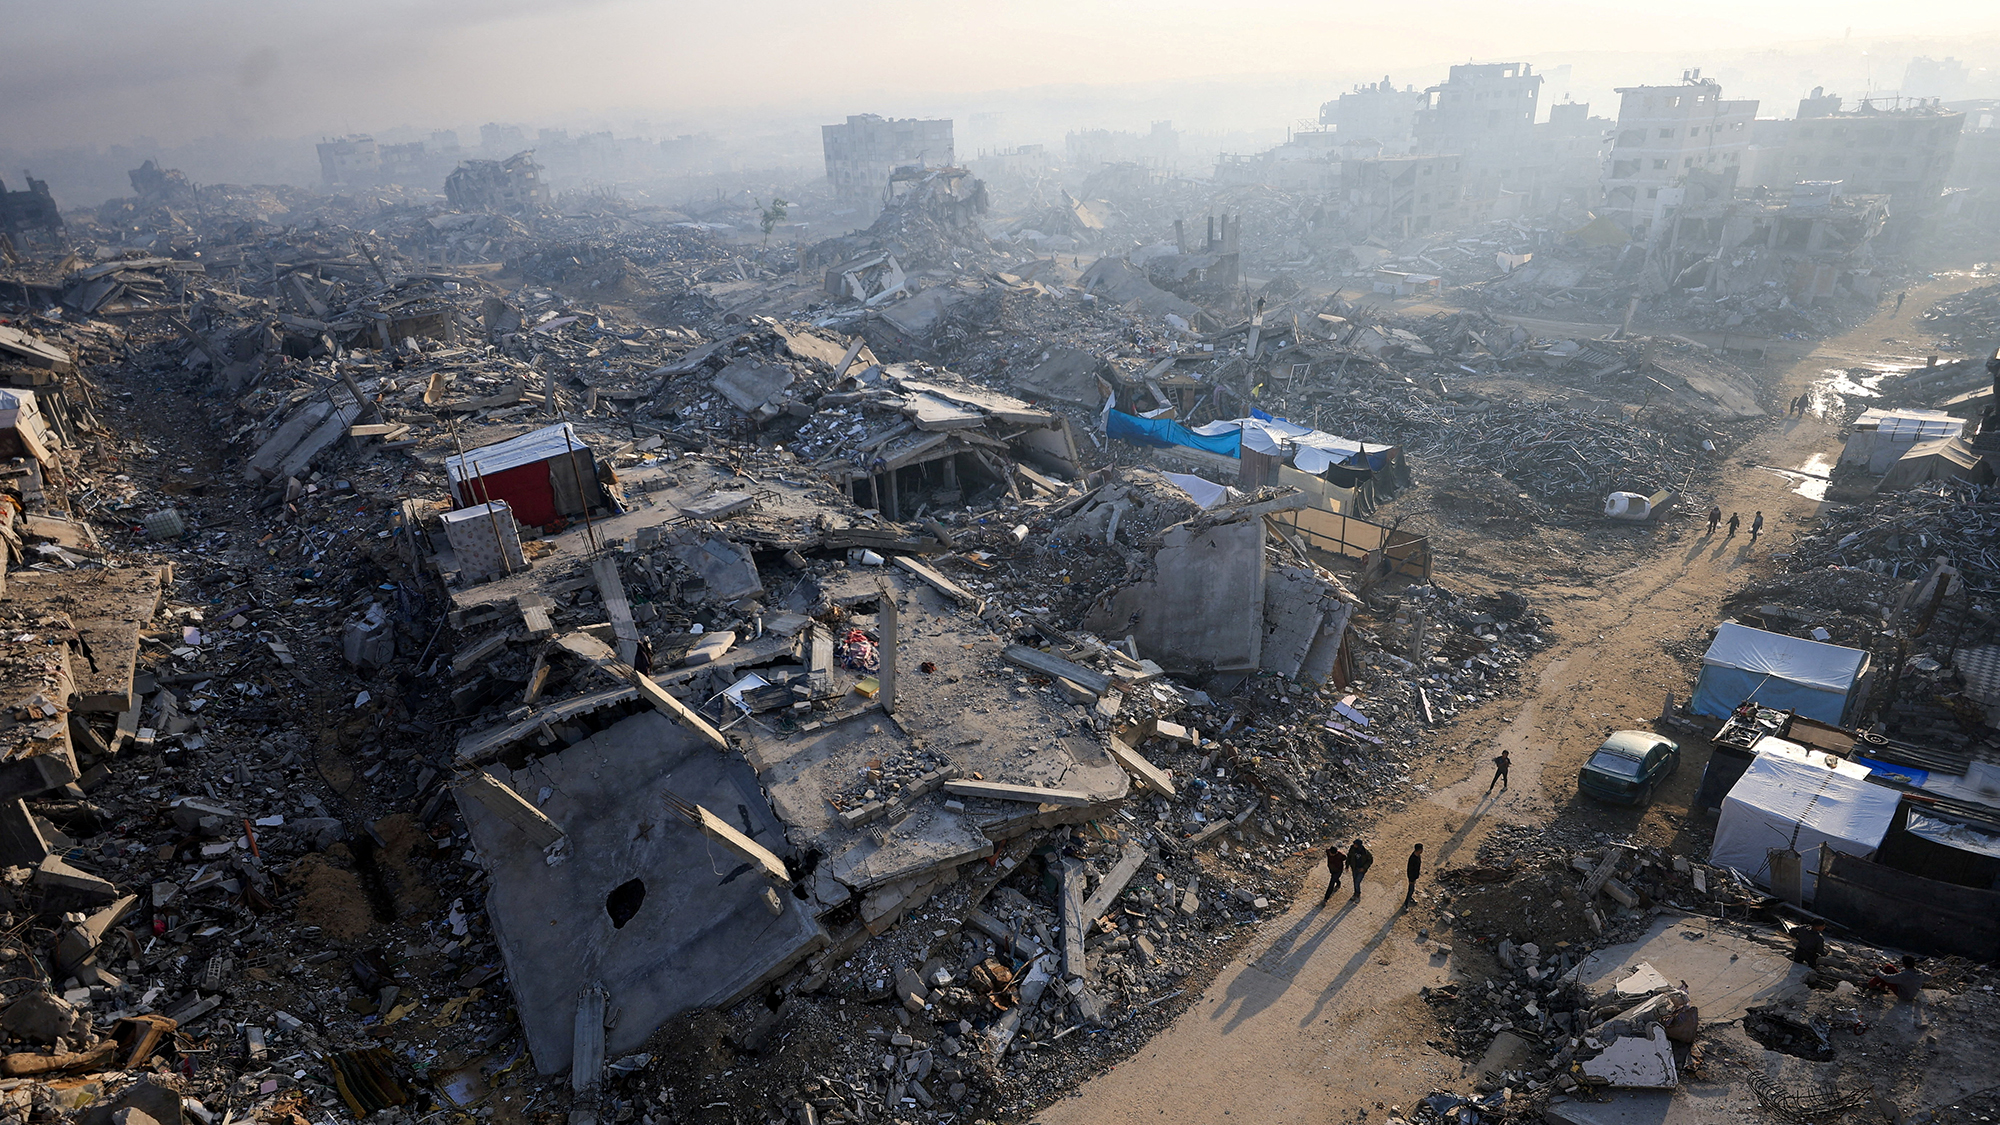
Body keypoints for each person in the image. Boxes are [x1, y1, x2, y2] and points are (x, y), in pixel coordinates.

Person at [1869, 954, 1932, 1028]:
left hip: (1904, 995)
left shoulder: (1905, 975)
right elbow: (1930, 977)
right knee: (1889, 968)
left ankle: (1870, 985)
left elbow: (1886, 978)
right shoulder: (1920, 973)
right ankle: (1881, 987)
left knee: (1888, 975)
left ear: (1904, 964)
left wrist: (1876, 969)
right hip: (1911, 992)